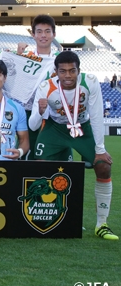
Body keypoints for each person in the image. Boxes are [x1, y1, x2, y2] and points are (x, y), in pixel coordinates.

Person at [29, 51, 117, 240]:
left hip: (82, 127)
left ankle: (102, 224)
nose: (68, 76)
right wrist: (40, 110)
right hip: (56, 129)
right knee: (41, 168)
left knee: (103, 166)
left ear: (79, 70)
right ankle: (49, 217)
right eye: (63, 71)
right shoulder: (46, 87)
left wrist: (100, 149)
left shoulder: (90, 82)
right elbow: (33, 125)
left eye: (72, 70)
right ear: (56, 72)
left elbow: (96, 114)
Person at [2, 15, 60, 160]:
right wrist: (18, 56)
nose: (43, 35)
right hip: (28, 111)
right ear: (33, 34)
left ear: (54, 34)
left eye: (47, 31)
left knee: (54, 155)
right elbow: (11, 83)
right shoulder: (25, 56)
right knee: (27, 154)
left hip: (53, 114)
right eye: (39, 31)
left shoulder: (60, 59)